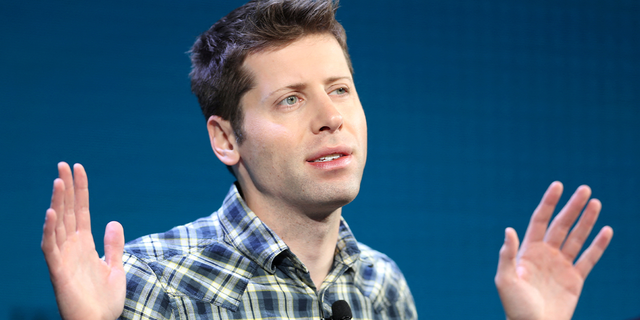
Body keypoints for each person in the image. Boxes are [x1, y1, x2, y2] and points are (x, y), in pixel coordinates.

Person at [40, 0, 614, 319]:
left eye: (339, 89)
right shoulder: (148, 283)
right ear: (225, 139)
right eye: (290, 99)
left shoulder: (383, 287)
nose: (330, 117)